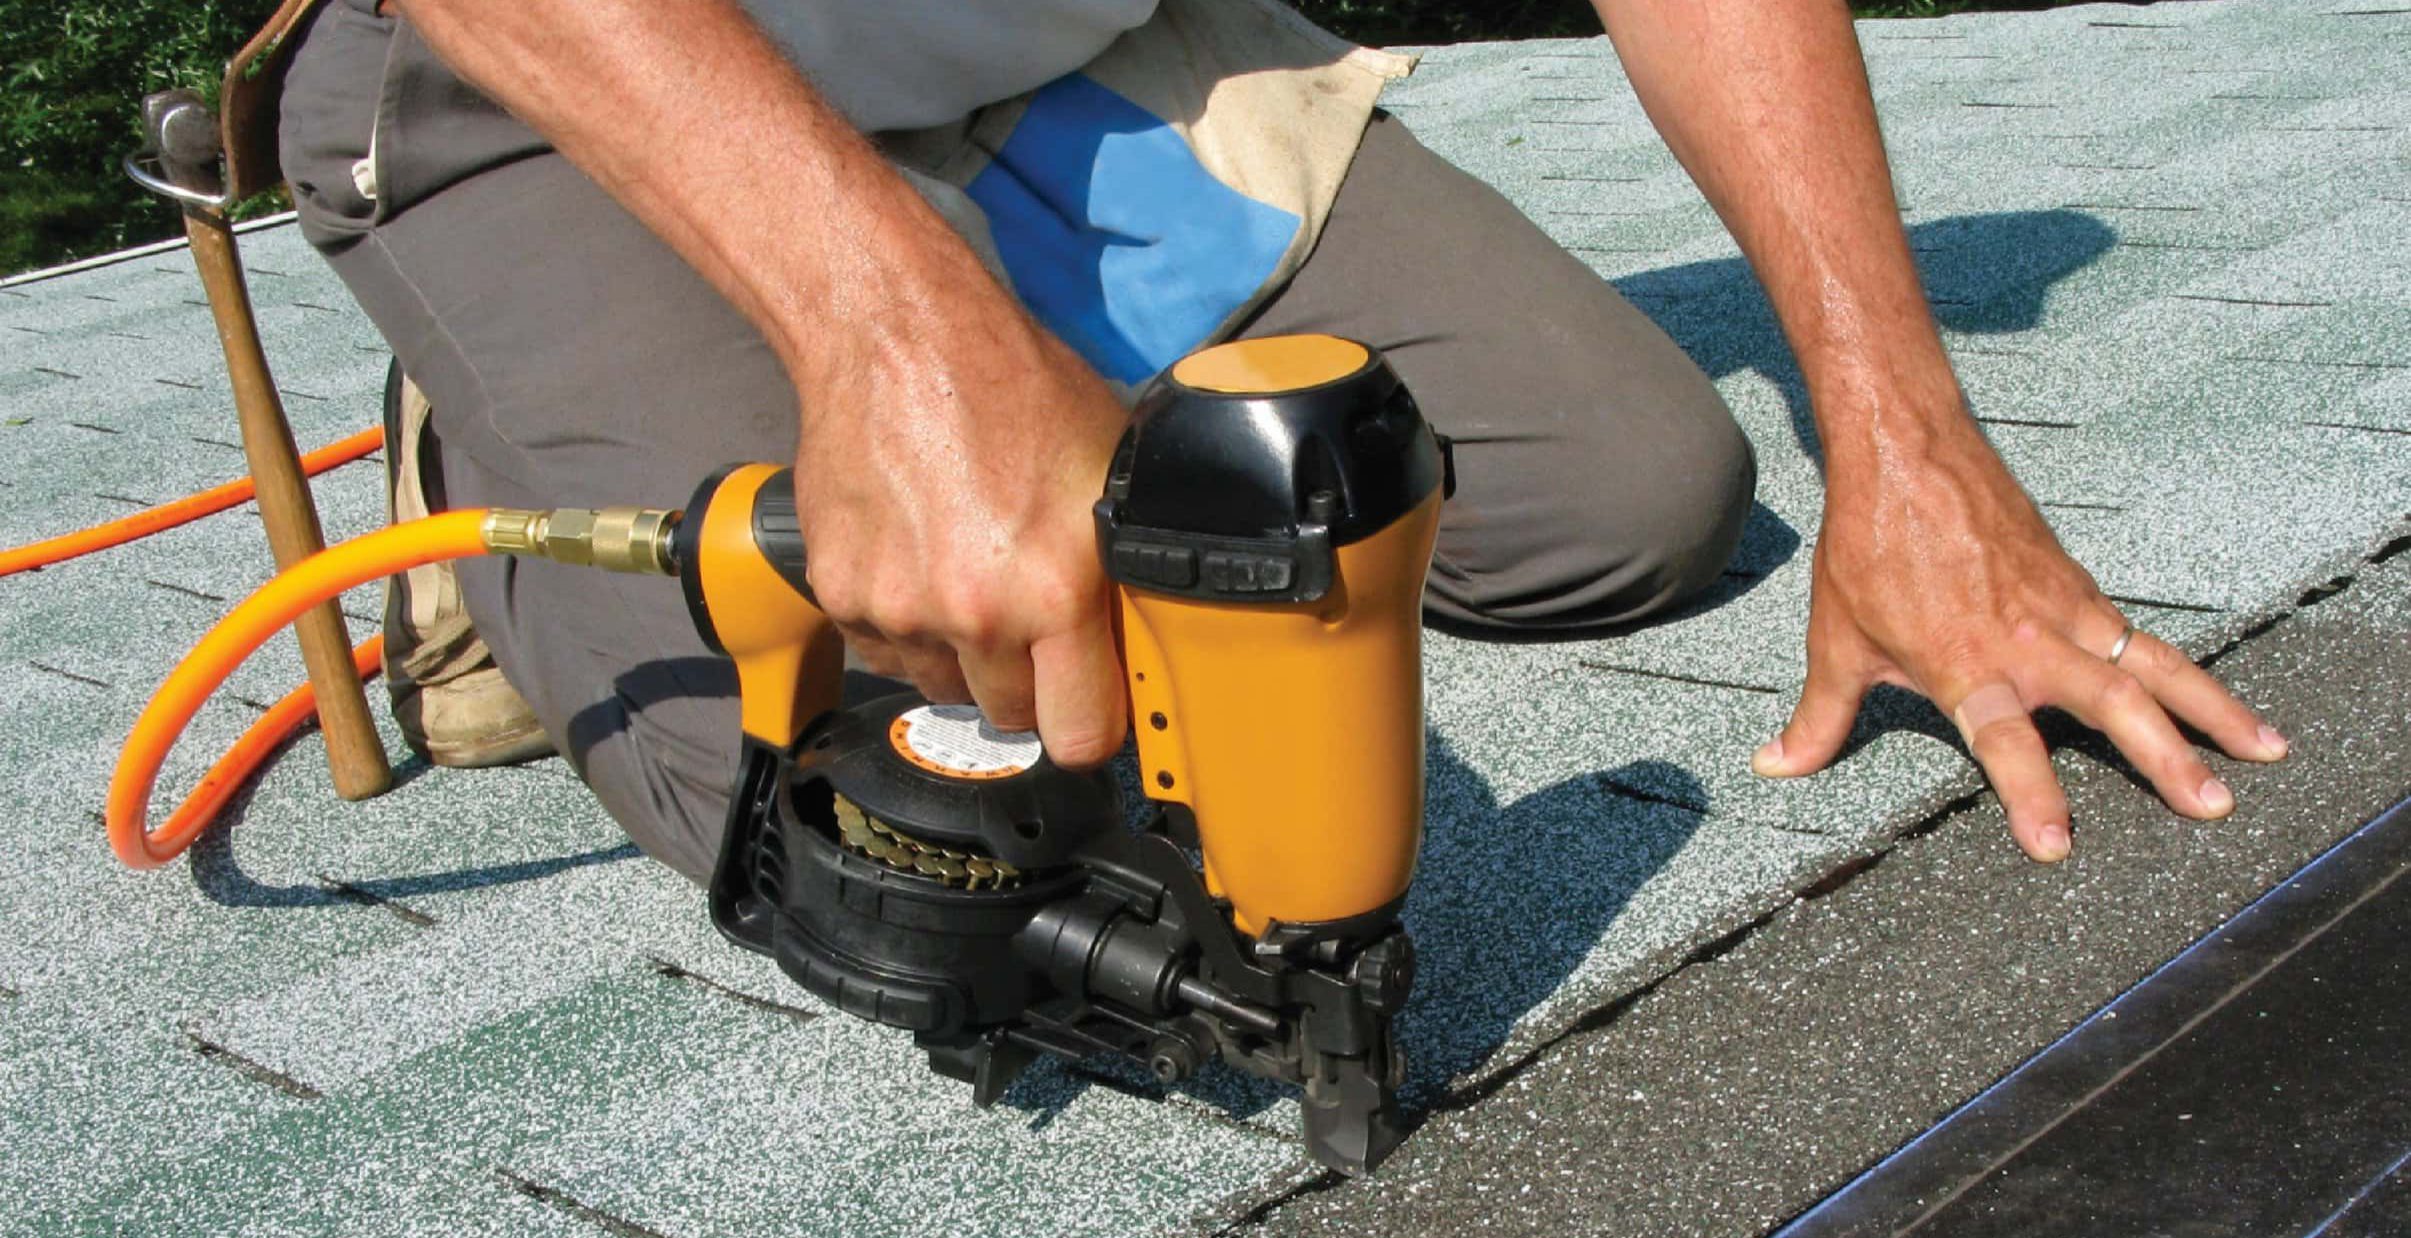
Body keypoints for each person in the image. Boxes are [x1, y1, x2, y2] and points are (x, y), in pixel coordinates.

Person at [255, 0, 2285, 886]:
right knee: (912, 800)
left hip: (1041, 42)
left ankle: (1014, 323)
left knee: (1635, 497)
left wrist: (1903, 444)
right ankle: (485, 460)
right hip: (568, 81)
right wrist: (890, 329)